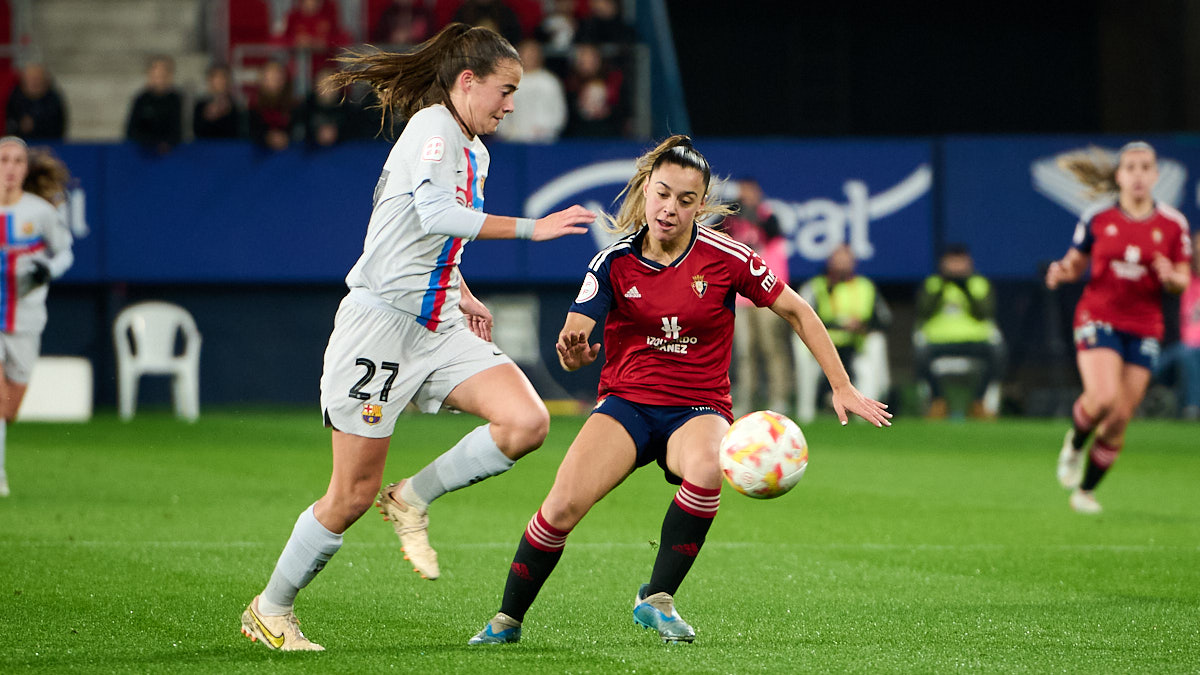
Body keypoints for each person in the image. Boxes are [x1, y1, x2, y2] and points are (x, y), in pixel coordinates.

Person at [239, 23, 595, 651]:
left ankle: (412, 497)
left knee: (526, 422)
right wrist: (531, 229)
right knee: (348, 496)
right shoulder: (433, 129)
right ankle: (271, 608)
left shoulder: (474, 147)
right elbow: (434, 215)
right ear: (468, 82)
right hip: (379, 326)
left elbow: (430, 237)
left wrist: (461, 290)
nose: (511, 104)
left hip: (437, 324)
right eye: (505, 90)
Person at [467, 135, 890, 647]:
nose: (670, 208)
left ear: (701, 205)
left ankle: (658, 598)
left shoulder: (727, 256)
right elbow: (576, 330)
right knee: (559, 509)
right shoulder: (612, 263)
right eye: (662, 193)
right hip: (626, 404)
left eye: (685, 200)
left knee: (708, 469)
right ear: (646, 188)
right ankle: (507, 620)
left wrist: (842, 385)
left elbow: (798, 310)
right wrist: (572, 350)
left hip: (699, 406)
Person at [1047, 141, 1192, 514]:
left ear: (1156, 175)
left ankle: (1086, 491)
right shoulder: (1098, 217)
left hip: (1144, 325)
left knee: (1119, 419)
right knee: (1104, 398)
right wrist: (1063, 270)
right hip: (1098, 316)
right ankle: (1075, 444)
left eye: (1146, 167)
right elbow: (1077, 263)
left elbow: (1182, 278)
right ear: (1119, 175)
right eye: (1131, 167)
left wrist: (1170, 275)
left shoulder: (1173, 225)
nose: (1139, 174)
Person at [0, 137, 75, 498]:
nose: (10, 168)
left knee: (9, 409)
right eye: (3, 160)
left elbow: (64, 254)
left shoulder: (39, 212)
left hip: (26, 318)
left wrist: (48, 269)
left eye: (17, 161)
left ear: (26, 169)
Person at [795, 243, 892, 422]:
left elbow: (884, 319)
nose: (842, 264)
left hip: (856, 344)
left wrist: (862, 326)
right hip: (822, 345)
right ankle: (810, 409)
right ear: (829, 262)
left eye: (846, 259)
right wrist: (838, 325)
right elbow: (801, 318)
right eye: (837, 259)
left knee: (875, 345)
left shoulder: (866, 286)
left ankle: (870, 411)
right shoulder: (816, 287)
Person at [723, 177, 791, 417]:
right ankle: (746, 399)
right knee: (744, 352)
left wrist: (750, 212)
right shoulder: (731, 219)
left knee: (772, 348)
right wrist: (729, 209)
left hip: (767, 293)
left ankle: (779, 399)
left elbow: (772, 231)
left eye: (749, 191)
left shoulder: (768, 215)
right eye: (742, 191)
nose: (745, 195)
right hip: (740, 296)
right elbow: (709, 229)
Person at [914, 244, 1005, 419]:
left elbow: (985, 313)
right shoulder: (933, 284)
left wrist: (965, 288)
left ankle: (978, 401)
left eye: (960, 261)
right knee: (920, 353)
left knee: (998, 352)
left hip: (974, 341)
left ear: (969, 262)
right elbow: (923, 311)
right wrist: (943, 285)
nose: (956, 266)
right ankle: (938, 401)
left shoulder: (979, 283)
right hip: (938, 342)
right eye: (952, 261)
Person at [495, 39, 567, 144]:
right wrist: (508, 133)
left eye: (533, 53)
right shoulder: (508, 82)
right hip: (513, 142)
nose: (530, 57)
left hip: (544, 142)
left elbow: (559, 112)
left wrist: (547, 131)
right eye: (526, 53)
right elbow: (498, 110)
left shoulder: (549, 81)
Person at [125, 56, 183, 154]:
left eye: (163, 73)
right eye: (156, 73)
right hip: (142, 153)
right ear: (149, 74)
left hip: (170, 155)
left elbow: (177, 131)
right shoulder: (141, 99)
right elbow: (131, 131)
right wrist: (149, 142)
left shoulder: (175, 100)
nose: (159, 77)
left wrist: (166, 142)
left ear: (169, 75)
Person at [5, 63, 67, 141]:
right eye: (31, 79)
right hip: (21, 143)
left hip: (49, 142)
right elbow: (10, 123)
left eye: (38, 79)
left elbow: (58, 126)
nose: (34, 82)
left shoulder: (53, 100)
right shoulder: (15, 98)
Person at [247, 61, 297, 152]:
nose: (275, 79)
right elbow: (250, 131)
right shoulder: (253, 105)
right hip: (258, 156)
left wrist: (286, 137)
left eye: (278, 76)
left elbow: (298, 130)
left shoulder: (293, 105)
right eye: (271, 76)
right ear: (262, 79)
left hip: (290, 156)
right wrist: (268, 137)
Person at [192, 63, 244, 140]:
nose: (220, 81)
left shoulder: (237, 105)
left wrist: (226, 112)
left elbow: (239, 133)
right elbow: (197, 133)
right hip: (205, 149)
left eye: (223, 77)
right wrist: (208, 117)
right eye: (215, 77)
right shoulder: (200, 105)